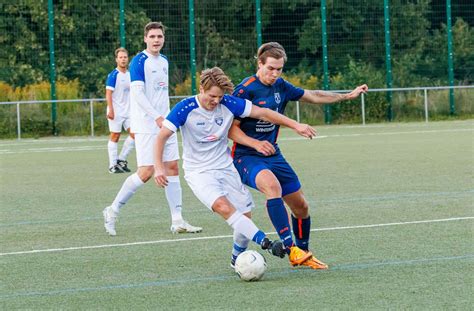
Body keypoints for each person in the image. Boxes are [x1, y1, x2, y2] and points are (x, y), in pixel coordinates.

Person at [154, 67, 318, 267]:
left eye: (220, 97)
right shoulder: (184, 108)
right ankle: (265, 243)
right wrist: (159, 168)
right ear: (201, 89)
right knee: (224, 208)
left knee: (245, 215)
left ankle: (235, 259)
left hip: (225, 167)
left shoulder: (228, 103)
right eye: (212, 96)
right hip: (199, 172)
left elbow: (264, 113)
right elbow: (161, 136)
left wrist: (296, 125)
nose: (216, 101)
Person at [230, 42, 368, 269]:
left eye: (279, 69)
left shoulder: (281, 86)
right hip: (246, 156)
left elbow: (313, 95)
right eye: (270, 68)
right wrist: (255, 143)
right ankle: (289, 247)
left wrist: (346, 96)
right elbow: (230, 129)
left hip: (274, 154)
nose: (275, 74)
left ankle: (303, 252)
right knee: (272, 187)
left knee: (301, 206)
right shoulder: (245, 90)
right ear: (259, 64)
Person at [103, 22, 202, 236]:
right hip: (147, 125)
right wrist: (156, 117)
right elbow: (138, 95)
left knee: (172, 167)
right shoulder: (139, 61)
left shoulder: (164, 60)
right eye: (153, 36)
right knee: (146, 172)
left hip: (164, 122)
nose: (157, 40)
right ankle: (112, 210)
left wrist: (166, 117)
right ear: (145, 39)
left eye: (160, 36)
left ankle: (177, 220)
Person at [105, 47, 135, 173]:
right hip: (116, 111)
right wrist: (110, 110)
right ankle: (112, 166)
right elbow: (108, 93)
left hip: (129, 111)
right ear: (116, 59)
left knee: (135, 135)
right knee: (115, 136)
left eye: (125, 57)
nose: (123, 59)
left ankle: (121, 159)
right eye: (121, 57)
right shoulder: (113, 75)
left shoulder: (130, 74)